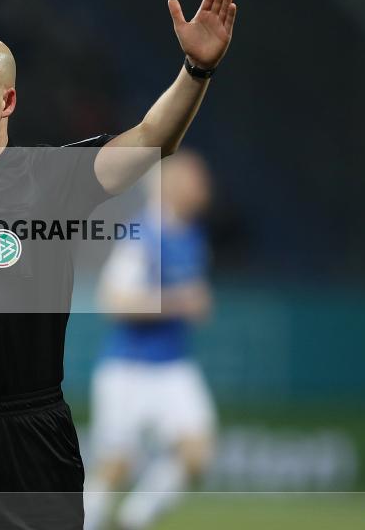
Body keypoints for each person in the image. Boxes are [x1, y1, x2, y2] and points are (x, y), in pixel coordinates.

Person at [0, 0, 237, 529]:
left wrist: (196, 70)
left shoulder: (55, 179)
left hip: (31, 441)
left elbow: (155, 137)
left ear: (7, 100)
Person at [84, 150, 216, 530]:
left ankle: (135, 518)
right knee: (116, 465)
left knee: (197, 453)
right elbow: (113, 301)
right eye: (195, 178)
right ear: (171, 184)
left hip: (174, 365)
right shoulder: (141, 234)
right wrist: (178, 303)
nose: (204, 187)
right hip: (129, 367)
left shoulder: (192, 235)